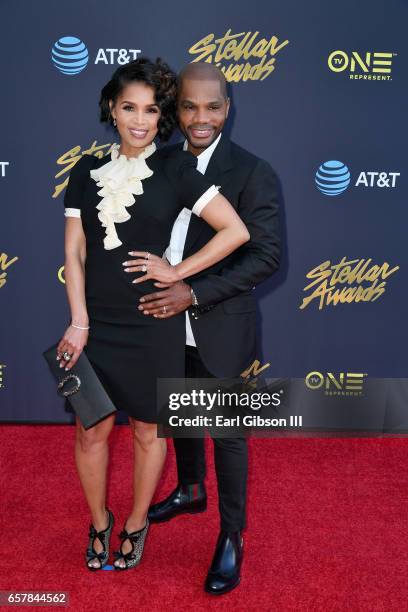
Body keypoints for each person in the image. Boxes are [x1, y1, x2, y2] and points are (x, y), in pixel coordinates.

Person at [57, 57, 249, 572]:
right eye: (128, 108)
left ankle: (137, 521)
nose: (139, 121)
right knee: (91, 430)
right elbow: (74, 253)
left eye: (150, 109)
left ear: (161, 116)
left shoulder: (174, 167)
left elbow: (235, 231)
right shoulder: (85, 170)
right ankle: (99, 520)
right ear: (112, 111)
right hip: (97, 323)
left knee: (148, 430)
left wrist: (178, 271)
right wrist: (79, 321)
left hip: (152, 320)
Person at [128, 62, 280, 594]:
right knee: (179, 410)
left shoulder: (252, 172)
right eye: (189, 106)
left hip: (219, 322)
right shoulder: (161, 164)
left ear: (227, 109)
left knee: (228, 433)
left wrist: (194, 292)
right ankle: (191, 488)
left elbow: (266, 258)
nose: (200, 117)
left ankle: (232, 535)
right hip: (163, 321)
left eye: (212, 106)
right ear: (177, 110)